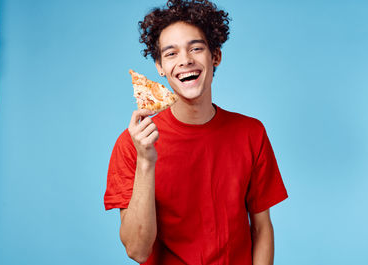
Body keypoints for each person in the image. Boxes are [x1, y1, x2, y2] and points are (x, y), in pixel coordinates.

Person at [104, 0, 288, 264]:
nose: (186, 60)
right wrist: (146, 162)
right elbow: (137, 250)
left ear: (216, 56)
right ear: (159, 66)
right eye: (171, 53)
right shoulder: (132, 143)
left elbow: (261, 228)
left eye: (196, 48)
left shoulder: (251, 133)